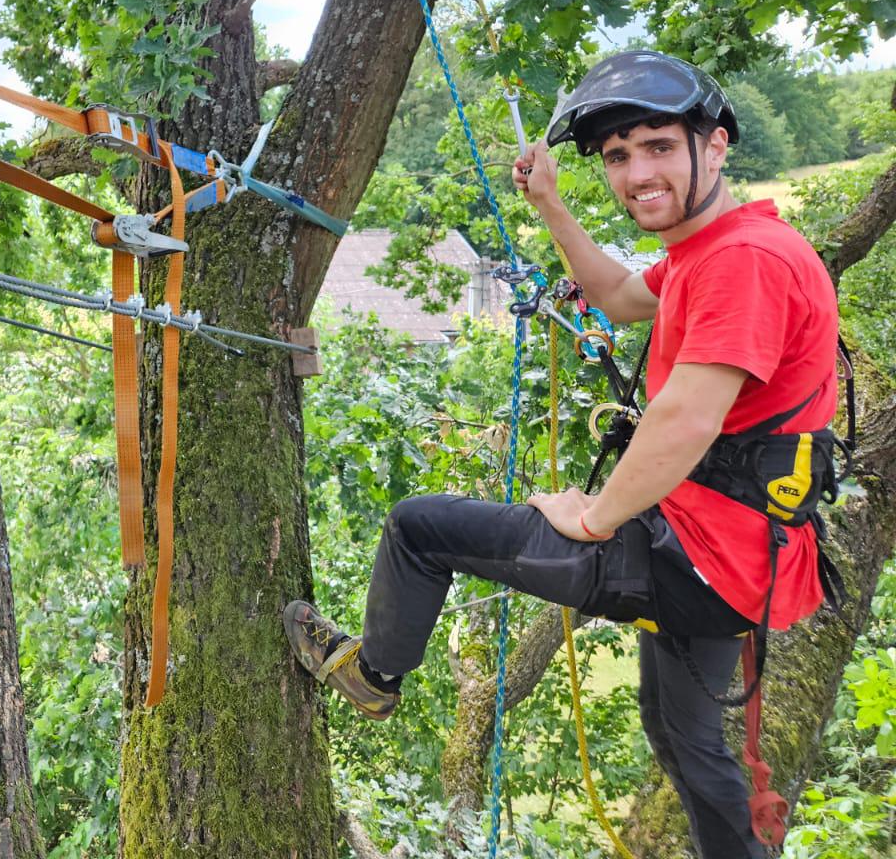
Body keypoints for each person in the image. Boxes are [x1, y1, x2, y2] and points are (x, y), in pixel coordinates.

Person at [285, 50, 841, 859]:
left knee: (419, 528)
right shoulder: (718, 248)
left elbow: (685, 418)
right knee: (683, 736)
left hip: (699, 554)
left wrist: (595, 515)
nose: (636, 173)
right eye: (618, 156)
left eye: (658, 147)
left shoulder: (743, 262)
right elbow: (617, 298)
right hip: (737, 557)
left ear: (716, 145)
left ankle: (372, 678)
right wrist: (549, 202)